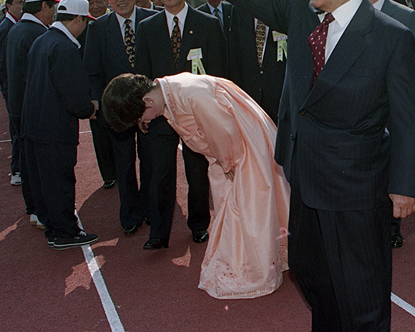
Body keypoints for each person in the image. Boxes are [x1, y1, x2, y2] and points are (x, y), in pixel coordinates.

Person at [161, 0, 415, 332]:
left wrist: (406, 185)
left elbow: (413, 117)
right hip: (304, 177)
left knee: (361, 292)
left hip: (356, 188)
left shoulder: (390, 38)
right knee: (312, 275)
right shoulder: (304, 8)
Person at [102, 72, 290, 299]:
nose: (147, 121)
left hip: (244, 149)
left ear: (147, 101)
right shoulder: (167, 93)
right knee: (236, 206)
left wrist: (229, 165)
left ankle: (257, 267)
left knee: (246, 207)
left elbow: (226, 132)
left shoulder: (190, 94)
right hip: (230, 151)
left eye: (142, 116)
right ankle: (254, 258)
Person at [134, 0, 227, 250]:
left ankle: (199, 225)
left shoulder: (208, 25)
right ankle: (159, 233)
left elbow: (219, 72)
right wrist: (143, 110)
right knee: (159, 173)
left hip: (195, 114)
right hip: (160, 115)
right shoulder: (147, 28)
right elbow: (142, 73)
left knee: (196, 171)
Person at [362, 0, 415, 249]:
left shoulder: (405, 16)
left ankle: (393, 226)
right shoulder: (343, 14)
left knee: (392, 167)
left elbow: (414, 69)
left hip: (393, 110)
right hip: (360, 114)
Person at [21, 0, 97, 249]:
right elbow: (73, 94)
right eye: (85, 22)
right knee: (60, 181)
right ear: (78, 19)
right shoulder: (64, 48)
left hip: (35, 125)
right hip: (55, 128)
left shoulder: (42, 41)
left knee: (45, 182)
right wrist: (89, 109)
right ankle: (65, 231)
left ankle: (54, 228)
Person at [83, 0, 157, 235]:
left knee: (150, 161)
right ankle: (130, 214)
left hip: (151, 108)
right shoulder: (97, 28)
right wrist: (99, 101)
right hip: (117, 113)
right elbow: (92, 71)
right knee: (124, 164)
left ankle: (150, 208)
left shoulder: (153, 19)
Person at [6, 0, 59, 229]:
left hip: (20, 108)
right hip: (36, 111)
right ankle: (43, 211)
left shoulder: (16, 30)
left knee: (30, 165)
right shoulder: (37, 34)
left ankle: (34, 208)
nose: (54, 12)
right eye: (52, 6)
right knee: (41, 167)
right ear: (43, 7)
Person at [221, 0, 287, 123]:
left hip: (283, 105)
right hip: (249, 106)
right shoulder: (238, 11)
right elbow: (235, 60)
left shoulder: (288, 8)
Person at [82, 0, 116, 189]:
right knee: (101, 137)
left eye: (98, 1)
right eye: (90, 2)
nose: (95, 6)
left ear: (106, 0)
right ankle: (109, 174)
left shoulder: (116, 22)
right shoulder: (81, 27)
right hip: (96, 91)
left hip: (118, 90)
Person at [0, 0, 24, 185]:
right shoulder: (5, 29)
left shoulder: (11, 26)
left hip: (12, 89)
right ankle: (17, 169)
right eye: (19, 2)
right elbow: (6, 66)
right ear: (9, 5)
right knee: (17, 130)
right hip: (12, 90)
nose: (22, 5)